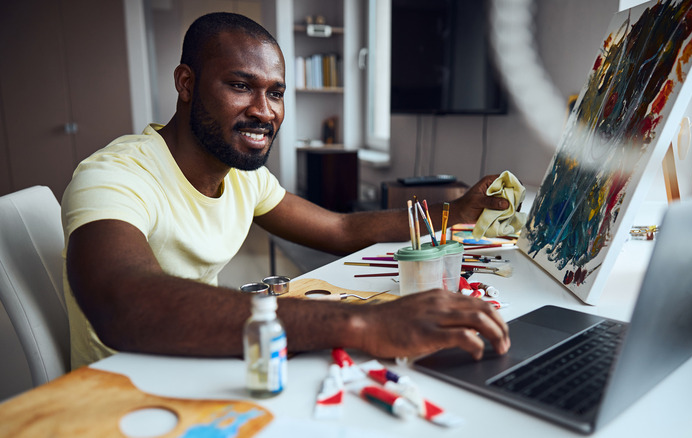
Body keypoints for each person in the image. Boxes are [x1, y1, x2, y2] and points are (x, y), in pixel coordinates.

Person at [63, 12, 511, 369]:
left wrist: (453, 213)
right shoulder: (116, 174)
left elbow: (337, 228)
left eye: (275, 93)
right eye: (240, 86)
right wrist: (361, 321)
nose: (264, 111)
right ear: (186, 83)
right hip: (127, 387)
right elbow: (122, 302)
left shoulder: (242, 174)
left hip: (198, 360)